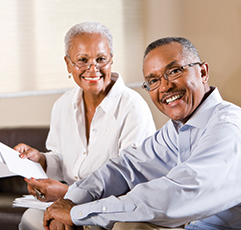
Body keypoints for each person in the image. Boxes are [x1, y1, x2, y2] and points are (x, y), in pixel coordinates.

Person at [42, 37, 241, 230]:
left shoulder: (228, 130)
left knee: (125, 226)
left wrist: (77, 213)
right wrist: (72, 199)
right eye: (153, 80)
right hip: (198, 226)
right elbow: (128, 167)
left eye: (174, 71)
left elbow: (171, 198)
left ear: (202, 73)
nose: (165, 86)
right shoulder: (179, 128)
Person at [15, 21, 156, 230]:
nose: (93, 69)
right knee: (30, 219)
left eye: (101, 59)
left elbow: (132, 181)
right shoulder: (63, 105)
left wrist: (67, 197)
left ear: (111, 59)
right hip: (69, 203)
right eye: (82, 60)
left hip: (112, 211)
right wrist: (42, 159)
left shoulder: (133, 108)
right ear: (68, 64)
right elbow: (61, 159)